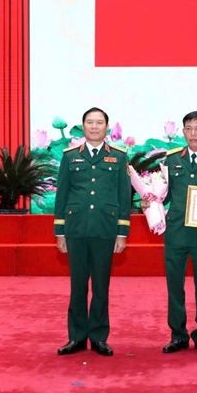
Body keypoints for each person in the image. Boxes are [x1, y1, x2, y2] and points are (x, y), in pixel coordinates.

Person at [145, 110, 197, 355]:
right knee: (175, 287)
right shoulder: (171, 159)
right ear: (182, 131)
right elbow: (164, 196)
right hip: (176, 233)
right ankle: (178, 336)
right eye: (189, 129)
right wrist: (149, 200)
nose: (193, 134)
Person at [54, 107, 131, 357]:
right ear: (83, 126)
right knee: (78, 286)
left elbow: (123, 196)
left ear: (106, 127)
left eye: (99, 123)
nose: (95, 127)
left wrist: (122, 232)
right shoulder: (69, 156)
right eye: (90, 122)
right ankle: (76, 337)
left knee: (100, 286)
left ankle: (98, 337)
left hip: (105, 228)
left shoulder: (118, 157)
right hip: (75, 228)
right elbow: (62, 194)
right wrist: (60, 232)